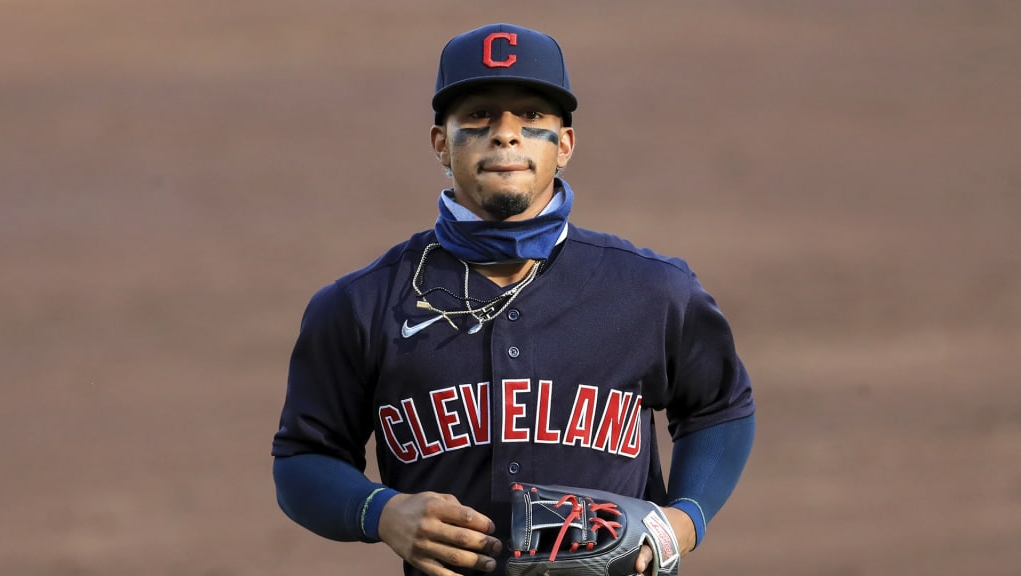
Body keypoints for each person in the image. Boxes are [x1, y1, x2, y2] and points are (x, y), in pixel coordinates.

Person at [272, 23, 756, 576]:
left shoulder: (652, 290)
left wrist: (684, 521)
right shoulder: (360, 306)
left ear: (565, 144)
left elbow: (720, 409)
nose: (506, 135)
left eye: (531, 116)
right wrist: (381, 512)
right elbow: (302, 458)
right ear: (440, 144)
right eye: (478, 116)